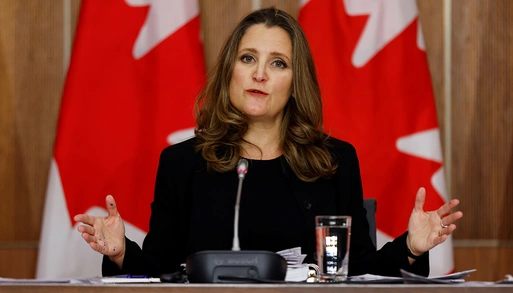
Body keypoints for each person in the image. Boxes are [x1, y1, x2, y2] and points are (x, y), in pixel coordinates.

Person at [74, 7, 463, 279]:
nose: (259, 73)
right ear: (230, 72)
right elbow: (159, 270)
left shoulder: (333, 161)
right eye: (247, 58)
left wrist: (411, 247)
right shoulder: (183, 163)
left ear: (295, 83)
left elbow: (354, 272)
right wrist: (122, 251)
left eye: (278, 63)